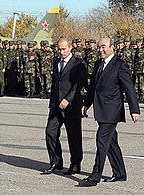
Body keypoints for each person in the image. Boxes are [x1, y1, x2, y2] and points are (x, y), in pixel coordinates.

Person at [80, 37, 140, 187]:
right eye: (99, 47)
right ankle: (120, 173)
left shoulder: (119, 64)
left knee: (101, 139)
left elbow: (129, 88)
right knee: (111, 142)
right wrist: (86, 104)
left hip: (112, 110)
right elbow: (93, 87)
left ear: (112, 47)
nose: (101, 49)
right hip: (101, 109)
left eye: (104, 47)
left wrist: (134, 109)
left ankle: (95, 176)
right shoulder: (98, 64)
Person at [42, 37, 87, 175]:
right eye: (59, 49)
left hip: (71, 105)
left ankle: (75, 164)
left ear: (70, 48)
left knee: (74, 136)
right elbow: (56, 85)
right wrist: (52, 103)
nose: (61, 52)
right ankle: (56, 162)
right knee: (50, 132)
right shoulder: (56, 62)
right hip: (56, 104)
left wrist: (68, 99)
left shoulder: (79, 63)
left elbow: (78, 84)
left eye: (64, 49)